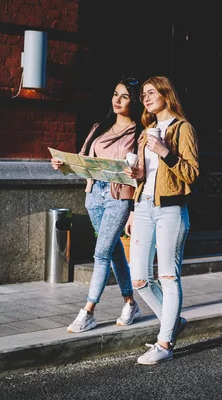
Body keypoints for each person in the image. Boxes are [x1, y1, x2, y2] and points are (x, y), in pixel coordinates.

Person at [51, 77, 144, 332]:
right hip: (94, 195)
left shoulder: (140, 133)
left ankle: (88, 311)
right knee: (113, 251)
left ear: (133, 101)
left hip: (119, 198)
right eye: (115, 94)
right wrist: (63, 165)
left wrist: (134, 210)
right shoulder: (99, 127)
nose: (117, 100)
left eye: (124, 96)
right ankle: (130, 303)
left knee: (101, 253)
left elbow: (141, 174)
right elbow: (83, 162)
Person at [124, 76, 199, 365]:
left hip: (171, 210)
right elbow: (144, 176)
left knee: (168, 276)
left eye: (151, 92)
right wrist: (135, 178)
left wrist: (164, 151)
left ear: (166, 94)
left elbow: (191, 173)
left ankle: (165, 342)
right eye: (142, 94)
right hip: (143, 207)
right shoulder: (146, 131)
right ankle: (173, 321)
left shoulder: (183, 129)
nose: (145, 98)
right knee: (139, 278)